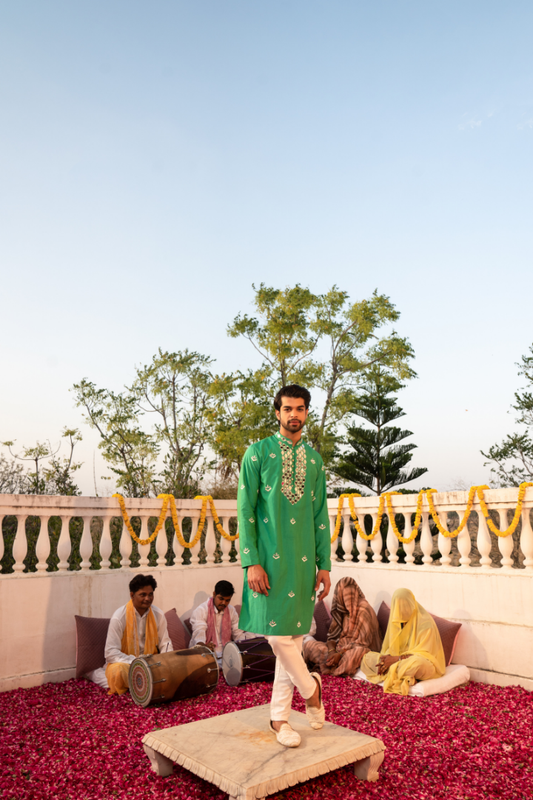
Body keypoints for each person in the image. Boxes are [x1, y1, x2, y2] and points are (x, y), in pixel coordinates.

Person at [238, 384, 331, 748]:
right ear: (277, 412)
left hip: (303, 560)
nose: (294, 414)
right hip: (268, 561)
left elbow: (320, 513)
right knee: (277, 637)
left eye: (301, 409)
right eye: (288, 408)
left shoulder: (314, 460)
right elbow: (245, 511)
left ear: (306, 414)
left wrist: (323, 564)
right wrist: (251, 563)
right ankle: (312, 690)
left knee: (288, 641)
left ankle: (279, 719)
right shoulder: (257, 453)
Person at [87, 574, 172, 695]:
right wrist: (137, 662)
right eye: (143, 595)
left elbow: (165, 643)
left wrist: (166, 662)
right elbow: (110, 652)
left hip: (152, 664)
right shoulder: (119, 617)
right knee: (118, 673)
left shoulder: (158, 614)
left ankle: (141, 682)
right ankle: (143, 681)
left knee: (170, 668)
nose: (148, 598)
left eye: (150, 594)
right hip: (127, 664)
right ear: (132, 595)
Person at [360, 587, 445, 695]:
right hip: (398, 662)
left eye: (405, 605)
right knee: (367, 658)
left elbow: (425, 655)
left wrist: (396, 659)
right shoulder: (396, 620)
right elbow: (389, 648)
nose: (402, 609)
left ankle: (391, 670)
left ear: (412, 603)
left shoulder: (425, 623)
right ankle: (397, 672)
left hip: (421, 662)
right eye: (398, 605)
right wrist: (387, 658)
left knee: (416, 664)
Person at [303, 577, 382, 677]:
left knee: (353, 655)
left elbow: (363, 644)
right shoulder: (341, 610)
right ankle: (333, 664)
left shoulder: (364, 610)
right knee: (309, 645)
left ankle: (332, 667)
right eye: (343, 595)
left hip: (358, 650)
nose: (346, 599)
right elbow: (332, 637)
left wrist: (340, 654)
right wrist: (332, 652)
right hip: (339, 649)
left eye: (348, 595)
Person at [189, 580, 250, 663]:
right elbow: (199, 631)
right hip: (206, 655)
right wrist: (203, 647)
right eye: (221, 599)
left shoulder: (231, 610)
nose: (224, 603)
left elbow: (237, 633)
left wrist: (249, 643)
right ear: (214, 594)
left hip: (227, 654)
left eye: (227, 600)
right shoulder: (201, 610)